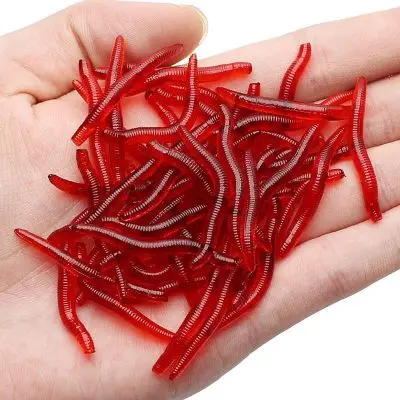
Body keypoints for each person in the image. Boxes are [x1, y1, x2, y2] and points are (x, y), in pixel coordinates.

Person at [1, 2, 400, 399]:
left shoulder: (238, 173)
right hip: (173, 231)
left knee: (228, 191)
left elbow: (228, 192)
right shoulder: (139, 207)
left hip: (219, 215)